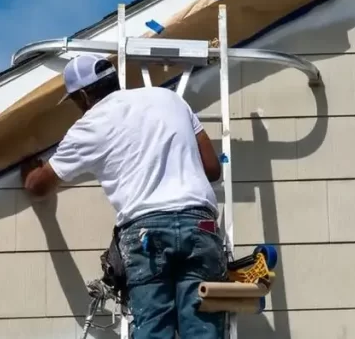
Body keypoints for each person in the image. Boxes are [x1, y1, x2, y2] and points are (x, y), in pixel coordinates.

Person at [20, 53, 226, 339]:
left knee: (153, 330)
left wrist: (31, 172)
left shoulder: (90, 126)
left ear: (82, 96)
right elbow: (213, 169)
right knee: (203, 331)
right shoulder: (168, 99)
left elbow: (39, 187)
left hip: (146, 233)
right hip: (199, 225)